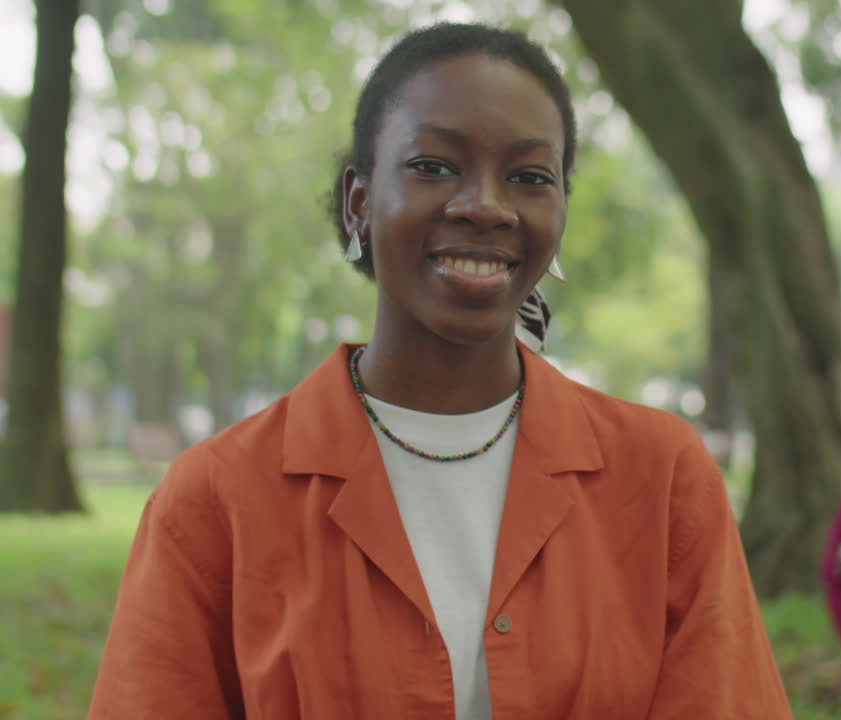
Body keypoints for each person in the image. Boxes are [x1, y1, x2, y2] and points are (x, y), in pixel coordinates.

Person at [88, 23, 791, 720]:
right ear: (358, 201)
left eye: (529, 177)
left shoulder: (663, 481)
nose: (486, 205)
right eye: (434, 166)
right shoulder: (214, 502)